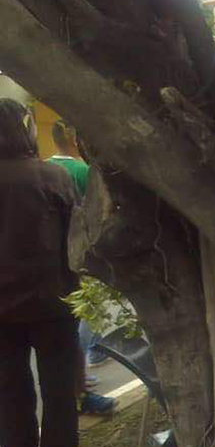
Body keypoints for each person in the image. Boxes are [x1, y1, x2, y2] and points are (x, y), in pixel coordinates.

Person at [0, 98, 99, 447]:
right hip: (52, 300)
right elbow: (77, 239)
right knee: (57, 382)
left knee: (9, 387)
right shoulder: (50, 177)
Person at [47, 122, 116, 414]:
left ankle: (87, 365)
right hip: (80, 255)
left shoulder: (47, 167)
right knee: (87, 313)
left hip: (54, 263)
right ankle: (90, 360)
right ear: (74, 139)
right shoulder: (79, 170)